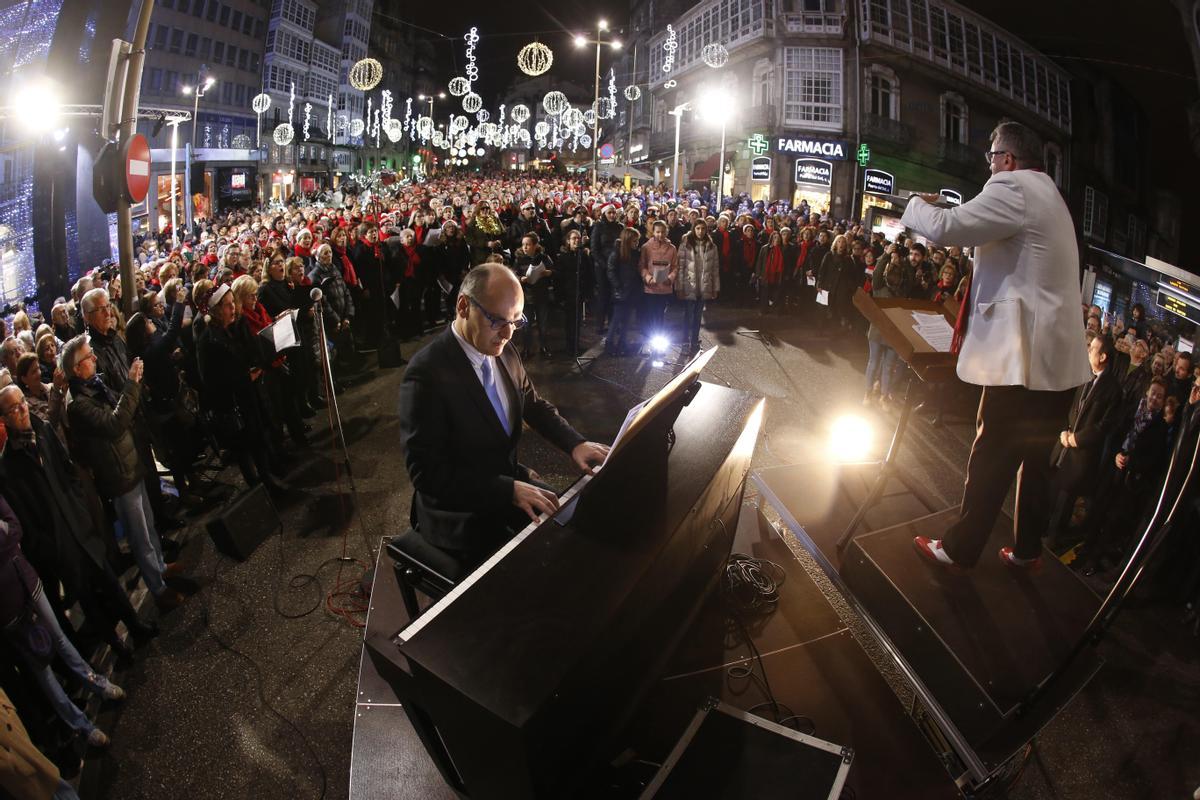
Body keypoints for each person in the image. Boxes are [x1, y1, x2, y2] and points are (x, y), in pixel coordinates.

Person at [906, 120, 1091, 571]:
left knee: (991, 454)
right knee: (1034, 460)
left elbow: (949, 227)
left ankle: (959, 548)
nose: (989, 167)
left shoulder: (1013, 187)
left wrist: (916, 204)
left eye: (991, 157)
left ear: (1006, 159)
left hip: (1021, 360)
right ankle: (1027, 550)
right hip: (1058, 363)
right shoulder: (1050, 195)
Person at [398, 264, 609, 568]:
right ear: (463, 306)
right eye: (498, 321)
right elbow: (427, 474)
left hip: (505, 481)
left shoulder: (503, 350)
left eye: (516, 321)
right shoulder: (426, 374)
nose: (509, 334)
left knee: (572, 527)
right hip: (458, 511)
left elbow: (532, 405)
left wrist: (575, 443)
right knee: (531, 565)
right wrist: (506, 490)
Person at [61, 336, 186, 610]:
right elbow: (116, 423)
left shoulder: (94, 385)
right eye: (88, 356)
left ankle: (160, 567)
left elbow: (121, 407)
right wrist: (131, 383)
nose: (94, 358)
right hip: (117, 476)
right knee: (139, 536)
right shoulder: (78, 404)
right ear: (76, 368)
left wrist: (131, 386)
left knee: (148, 523)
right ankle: (158, 589)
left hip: (128, 464)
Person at [675, 219, 720, 356]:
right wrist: (679, 286)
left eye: (703, 228)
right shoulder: (686, 244)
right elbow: (680, 266)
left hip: (704, 285)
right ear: (694, 229)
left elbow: (715, 269)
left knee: (697, 316)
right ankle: (685, 341)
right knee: (688, 315)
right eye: (698, 228)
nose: (700, 231)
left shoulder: (711, 246)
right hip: (690, 285)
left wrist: (715, 288)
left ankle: (694, 340)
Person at [606, 227, 643, 357]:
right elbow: (610, 270)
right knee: (616, 320)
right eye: (634, 241)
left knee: (627, 320)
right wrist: (618, 286)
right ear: (627, 241)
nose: (636, 243)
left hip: (632, 291)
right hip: (621, 292)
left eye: (637, 241)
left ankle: (623, 343)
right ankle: (609, 343)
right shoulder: (617, 252)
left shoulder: (635, 253)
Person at [639, 220, 677, 339]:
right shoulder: (646, 247)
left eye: (663, 232)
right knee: (650, 315)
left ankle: (658, 340)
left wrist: (670, 278)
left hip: (664, 288)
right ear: (653, 232)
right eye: (658, 232)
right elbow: (641, 265)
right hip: (650, 288)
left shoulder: (672, 248)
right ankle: (650, 340)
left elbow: (676, 266)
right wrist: (649, 278)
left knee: (660, 315)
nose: (660, 234)